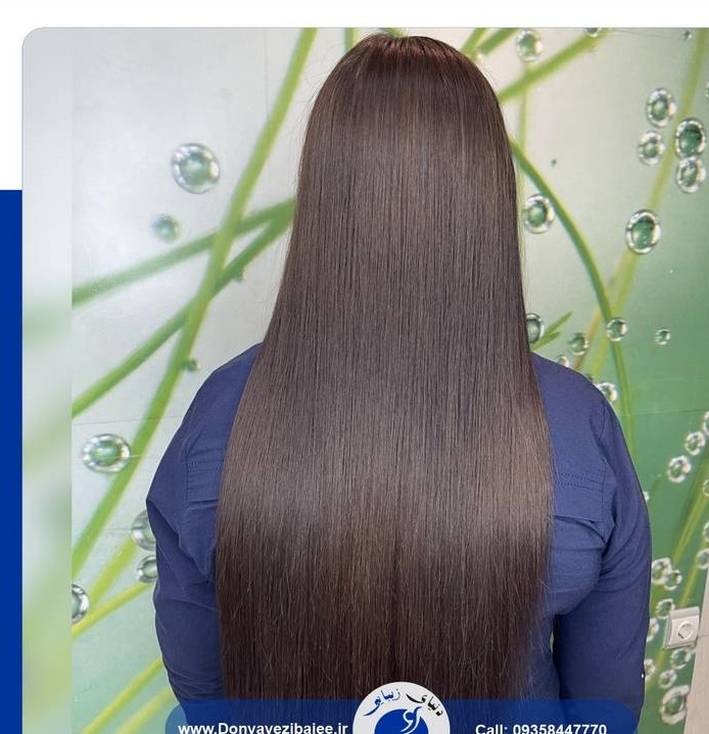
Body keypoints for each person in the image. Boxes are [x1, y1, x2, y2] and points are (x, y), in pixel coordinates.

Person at [146, 32, 651, 726]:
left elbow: (204, 689)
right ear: (488, 194)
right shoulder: (579, 423)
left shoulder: (221, 416)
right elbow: (606, 697)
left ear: (324, 191)